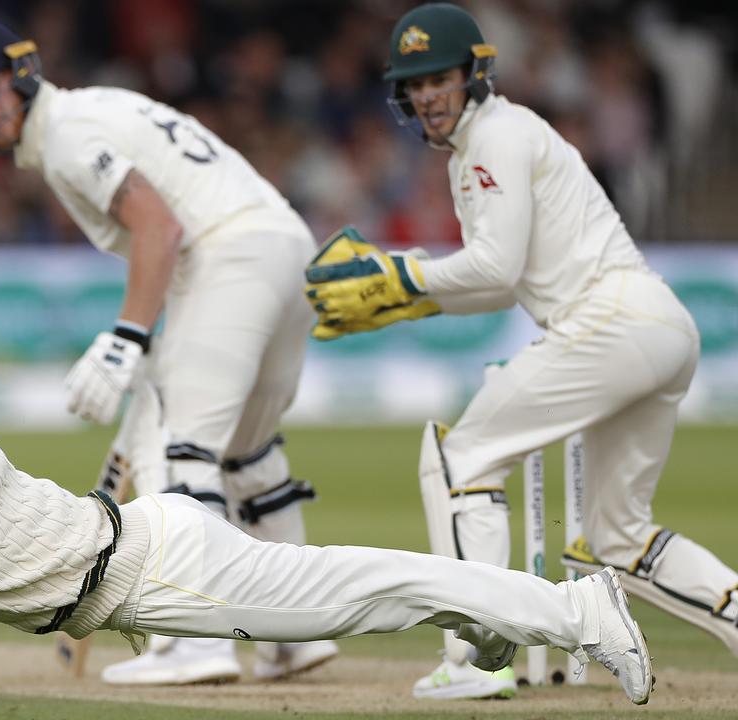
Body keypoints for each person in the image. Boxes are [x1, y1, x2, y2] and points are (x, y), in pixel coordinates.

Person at [0, 352, 654, 705]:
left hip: (160, 572)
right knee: (380, 591)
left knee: (380, 588)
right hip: (146, 549)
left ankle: (572, 606)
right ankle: (523, 617)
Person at [303, 2, 738, 701]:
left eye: (438, 78)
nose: (426, 96)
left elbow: (496, 268)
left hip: (607, 321)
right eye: (413, 85)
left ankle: (479, 659)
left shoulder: (494, 137)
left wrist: (401, 274)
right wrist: (406, 296)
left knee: (460, 461)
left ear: (474, 74)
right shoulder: (494, 142)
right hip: (657, 326)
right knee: (617, 539)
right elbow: (496, 286)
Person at [0, 19, 331, 685]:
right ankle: (296, 633)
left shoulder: (64, 134)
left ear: (22, 72)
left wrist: (127, 339)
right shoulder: (93, 108)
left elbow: (161, 226)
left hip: (231, 254)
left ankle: (198, 641)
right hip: (285, 249)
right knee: (248, 453)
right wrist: (151, 336)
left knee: (181, 448)